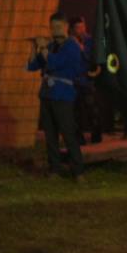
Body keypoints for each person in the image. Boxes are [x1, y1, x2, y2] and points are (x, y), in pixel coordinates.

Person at [27, 12, 85, 181]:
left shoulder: (71, 46)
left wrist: (43, 48)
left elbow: (54, 62)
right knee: (50, 134)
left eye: (58, 27)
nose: (54, 30)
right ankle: (54, 169)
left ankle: (78, 171)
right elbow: (32, 66)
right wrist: (34, 47)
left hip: (63, 94)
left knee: (67, 133)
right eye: (52, 27)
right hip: (47, 94)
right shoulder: (51, 46)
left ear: (66, 27)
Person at [69, 16, 102, 144]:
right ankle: (79, 139)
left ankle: (96, 136)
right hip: (73, 81)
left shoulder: (90, 41)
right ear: (72, 30)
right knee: (76, 111)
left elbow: (92, 58)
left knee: (92, 109)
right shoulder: (69, 42)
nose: (81, 30)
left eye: (83, 27)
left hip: (86, 80)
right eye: (78, 28)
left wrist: (81, 47)